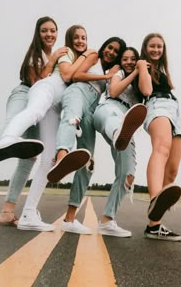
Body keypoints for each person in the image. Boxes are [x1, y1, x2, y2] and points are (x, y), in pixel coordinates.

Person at [0, 16, 66, 226]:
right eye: (44, 30)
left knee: (28, 159)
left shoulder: (58, 58)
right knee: (14, 120)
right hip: (25, 93)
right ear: (38, 33)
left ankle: (7, 212)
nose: (49, 34)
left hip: (42, 109)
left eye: (53, 30)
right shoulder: (36, 54)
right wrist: (54, 57)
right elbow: (36, 82)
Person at [46, 37, 127, 235]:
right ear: (104, 46)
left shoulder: (112, 72)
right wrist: (106, 78)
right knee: (71, 118)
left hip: (92, 106)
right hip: (78, 92)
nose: (111, 52)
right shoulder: (93, 55)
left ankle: (70, 219)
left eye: (116, 51)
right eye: (109, 47)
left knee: (88, 161)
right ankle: (61, 157)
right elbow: (77, 76)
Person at [136, 33, 181, 241]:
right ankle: (154, 199)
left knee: (171, 171)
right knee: (161, 148)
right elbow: (147, 90)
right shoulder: (142, 65)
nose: (156, 50)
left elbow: (168, 98)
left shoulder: (163, 70)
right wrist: (142, 66)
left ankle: (154, 227)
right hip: (156, 106)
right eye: (152, 46)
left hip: (175, 112)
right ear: (145, 47)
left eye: (159, 47)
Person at [92, 47, 149, 237]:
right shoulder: (119, 73)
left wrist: (179, 120)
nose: (129, 61)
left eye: (133, 59)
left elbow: (153, 105)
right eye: (125, 59)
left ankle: (107, 221)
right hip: (108, 110)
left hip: (127, 123)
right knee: (115, 123)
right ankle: (118, 132)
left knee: (128, 175)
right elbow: (115, 91)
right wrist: (134, 71)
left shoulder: (141, 82)